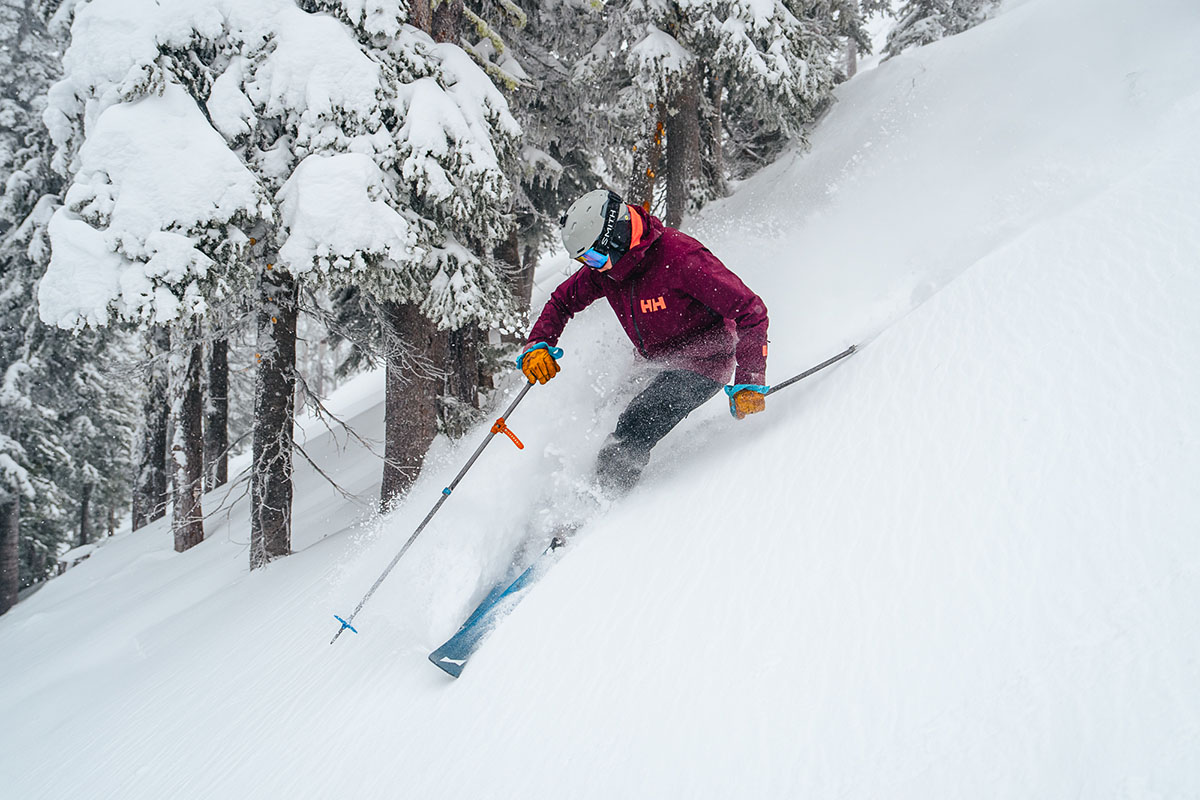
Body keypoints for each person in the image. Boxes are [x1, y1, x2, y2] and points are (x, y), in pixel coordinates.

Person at [517, 189, 770, 495]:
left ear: (617, 236)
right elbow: (561, 301)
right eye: (585, 260)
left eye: (594, 257)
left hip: (705, 364)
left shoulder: (681, 259)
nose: (593, 266)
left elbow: (751, 311)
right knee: (604, 414)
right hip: (654, 362)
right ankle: (581, 487)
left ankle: (605, 506)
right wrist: (539, 342)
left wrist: (750, 379)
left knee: (633, 426)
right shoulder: (607, 270)